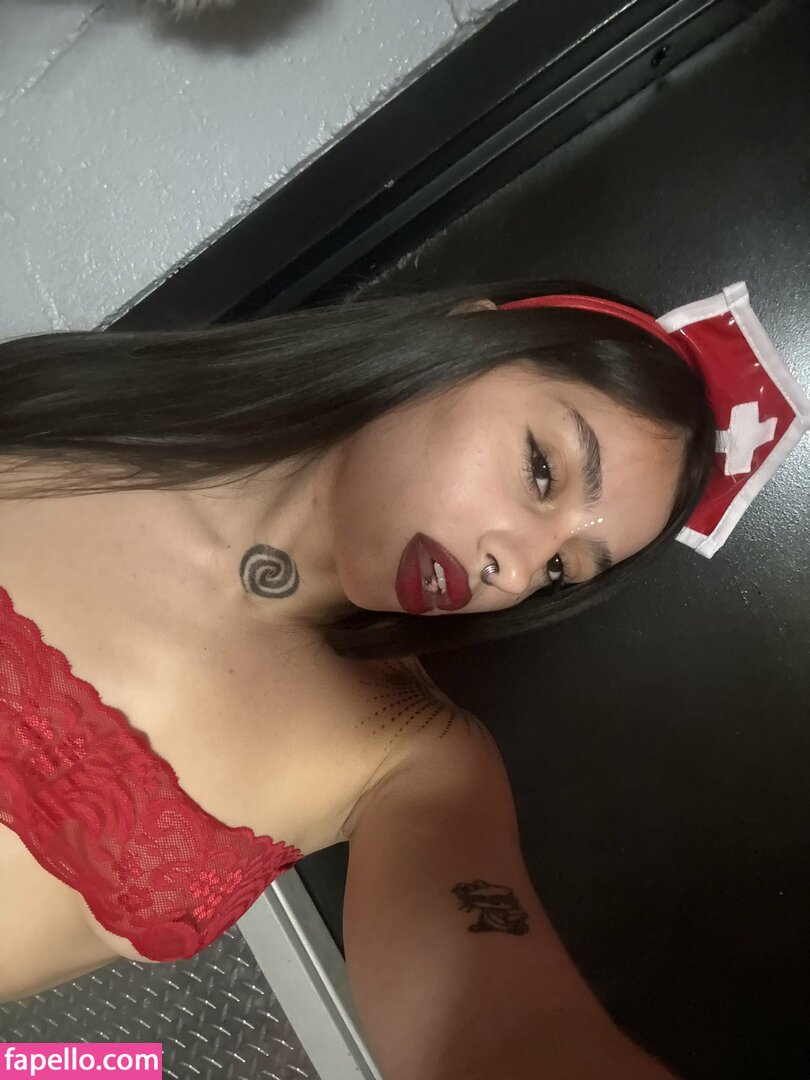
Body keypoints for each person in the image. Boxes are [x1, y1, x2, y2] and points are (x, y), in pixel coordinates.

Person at [0, 278, 803, 1077]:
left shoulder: (411, 757)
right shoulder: (61, 414)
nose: (515, 570)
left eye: (561, 568)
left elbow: (500, 1037)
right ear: (461, 339)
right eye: (542, 470)